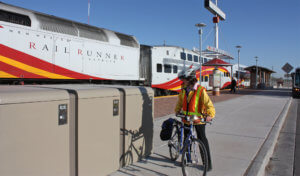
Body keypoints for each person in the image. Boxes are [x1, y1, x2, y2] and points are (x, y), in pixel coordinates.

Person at [175, 68, 215, 171]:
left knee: (202, 140)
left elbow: (208, 104)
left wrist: (210, 115)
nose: (182, 81)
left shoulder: (200, 90)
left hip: (199, 120)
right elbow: (180, 101)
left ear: (190, 79)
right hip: (186, 119)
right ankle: (186, 160)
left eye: (184, 79)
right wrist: (177, 110)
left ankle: (207, 164)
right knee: (186, 139)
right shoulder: (184, 89)